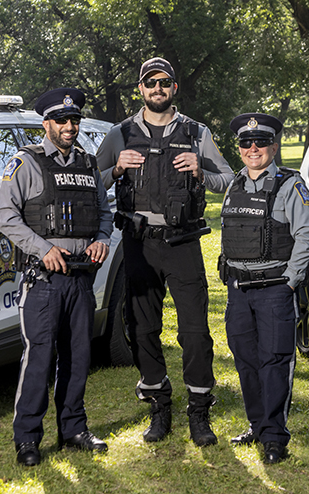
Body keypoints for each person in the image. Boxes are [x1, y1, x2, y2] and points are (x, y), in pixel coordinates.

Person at [95, 57, 234, 447]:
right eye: (150, 83)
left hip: (183, 243)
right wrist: (116, 169)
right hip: (139, 244)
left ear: (174, 87)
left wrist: (200, 172)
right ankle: (158, 403)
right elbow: (90, 181)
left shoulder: (195, 132)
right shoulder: (120, 134)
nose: (158, 88)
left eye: (165, 82)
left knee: (195, 332)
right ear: (140, 89)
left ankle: (199, 411)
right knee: (142, 330)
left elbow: (227, 179)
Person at [0, 88, 113, 466]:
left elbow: (104, 212)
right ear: (46, 123)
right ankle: (27, 439)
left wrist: (102, 240)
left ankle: (73, 429)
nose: (69, 126)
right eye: (61, 120)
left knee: (79, 358)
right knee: (40, 359)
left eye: (74, 119)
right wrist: (43, 248)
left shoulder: (90, 165)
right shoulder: (25, 162)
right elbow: (5, 217)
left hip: (81, 279)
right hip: (43, 280)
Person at [219, 113, 309, 464]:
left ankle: (275, 438)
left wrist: (290, 280)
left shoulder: (290, 185)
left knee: (274, 362)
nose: (254, 148)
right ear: (240, 148)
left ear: (274, 146)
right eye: (247, 143)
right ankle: (257, 425)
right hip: (238, 291)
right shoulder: (234, 184)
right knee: (246, 361)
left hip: (275, 288)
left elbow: (306, 235)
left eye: (261, 142)